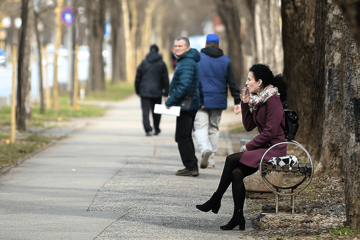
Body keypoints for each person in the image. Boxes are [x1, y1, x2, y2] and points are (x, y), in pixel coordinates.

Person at [196, 64, 287, 230]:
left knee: (231, 159)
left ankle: (216, 199)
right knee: (236, 173)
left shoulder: (272, 99)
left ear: (259, 82)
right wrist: (245, 104)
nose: (246, 83)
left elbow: (271, 131)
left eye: (249, 79)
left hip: (275, 148)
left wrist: (250, 146)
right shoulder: (259, 100)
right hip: (264, 147)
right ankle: (238, 216)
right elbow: (249, 125)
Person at [194, 34, 241, 169]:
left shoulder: (198, 58)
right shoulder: (225, 60)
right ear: (219, 45)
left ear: (206, 44)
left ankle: (205, 151)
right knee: (213, 128)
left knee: (200, 127)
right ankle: (212, 160)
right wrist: (237, 101)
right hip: (218, 100)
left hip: (201, 99)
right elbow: (232, 82)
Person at [165, 36, 204, 177]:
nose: (177, 48)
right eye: (176, 46)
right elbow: (197, 84)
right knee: (185, 135)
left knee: (182, 137)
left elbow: (185, 86)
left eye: (180, 46)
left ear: (187, 48)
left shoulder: (187, 62)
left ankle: (191, 166)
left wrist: (170, 101)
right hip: (190, 104)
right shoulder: (187, 61)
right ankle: (191, 165)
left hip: (186, 105)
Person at [135, 44, 169, 136]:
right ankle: (156, 128)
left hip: (144, 91)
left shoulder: (144, 63)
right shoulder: (162, 64)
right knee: (157, 110)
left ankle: (147, 129)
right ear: (158, 51)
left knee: (145, 111)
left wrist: (137, 90)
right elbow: (165, 79)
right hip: (157, 91)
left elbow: (138, 77)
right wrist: (166, 92)